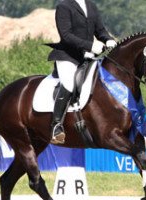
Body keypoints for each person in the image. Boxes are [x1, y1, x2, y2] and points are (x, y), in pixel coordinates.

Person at [48, 0, 117, 144]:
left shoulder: (91, 5)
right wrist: (90, 45)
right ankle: (56, 126)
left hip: (88, 57)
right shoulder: (64, 6)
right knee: (69, 84)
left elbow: (100, 31)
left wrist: (109, 39)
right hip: (68, 56)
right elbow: (66, 35)